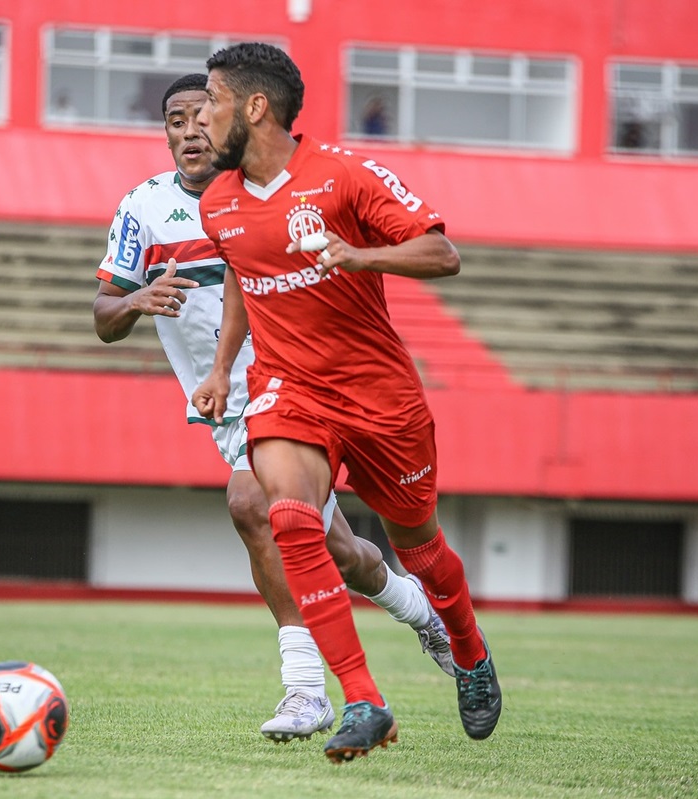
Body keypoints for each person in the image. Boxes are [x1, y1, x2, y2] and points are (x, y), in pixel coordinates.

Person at [93, 74, 457, 743]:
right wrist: (135, 302)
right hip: (223, 396)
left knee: (249, 505)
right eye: (177, 120)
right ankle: (420, 613)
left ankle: (306, 688)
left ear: (230, 122)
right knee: (339, 550)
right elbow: (102, 317)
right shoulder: (143, 208)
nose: (191, 131)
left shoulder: (274, 192)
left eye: (204, 117)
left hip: (295, 381)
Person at [191, 43, 502, 763]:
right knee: (291, 515)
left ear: (255, 106)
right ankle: (363, 699)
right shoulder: (218, 203)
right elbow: (243, 273)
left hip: (380, 398)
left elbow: (440, 253)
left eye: (211, 100)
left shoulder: (344, 176)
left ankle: (467, 643)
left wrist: (360, 255)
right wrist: (219, 367)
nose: (201, 116)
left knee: (422, 551)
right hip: (290, 388)